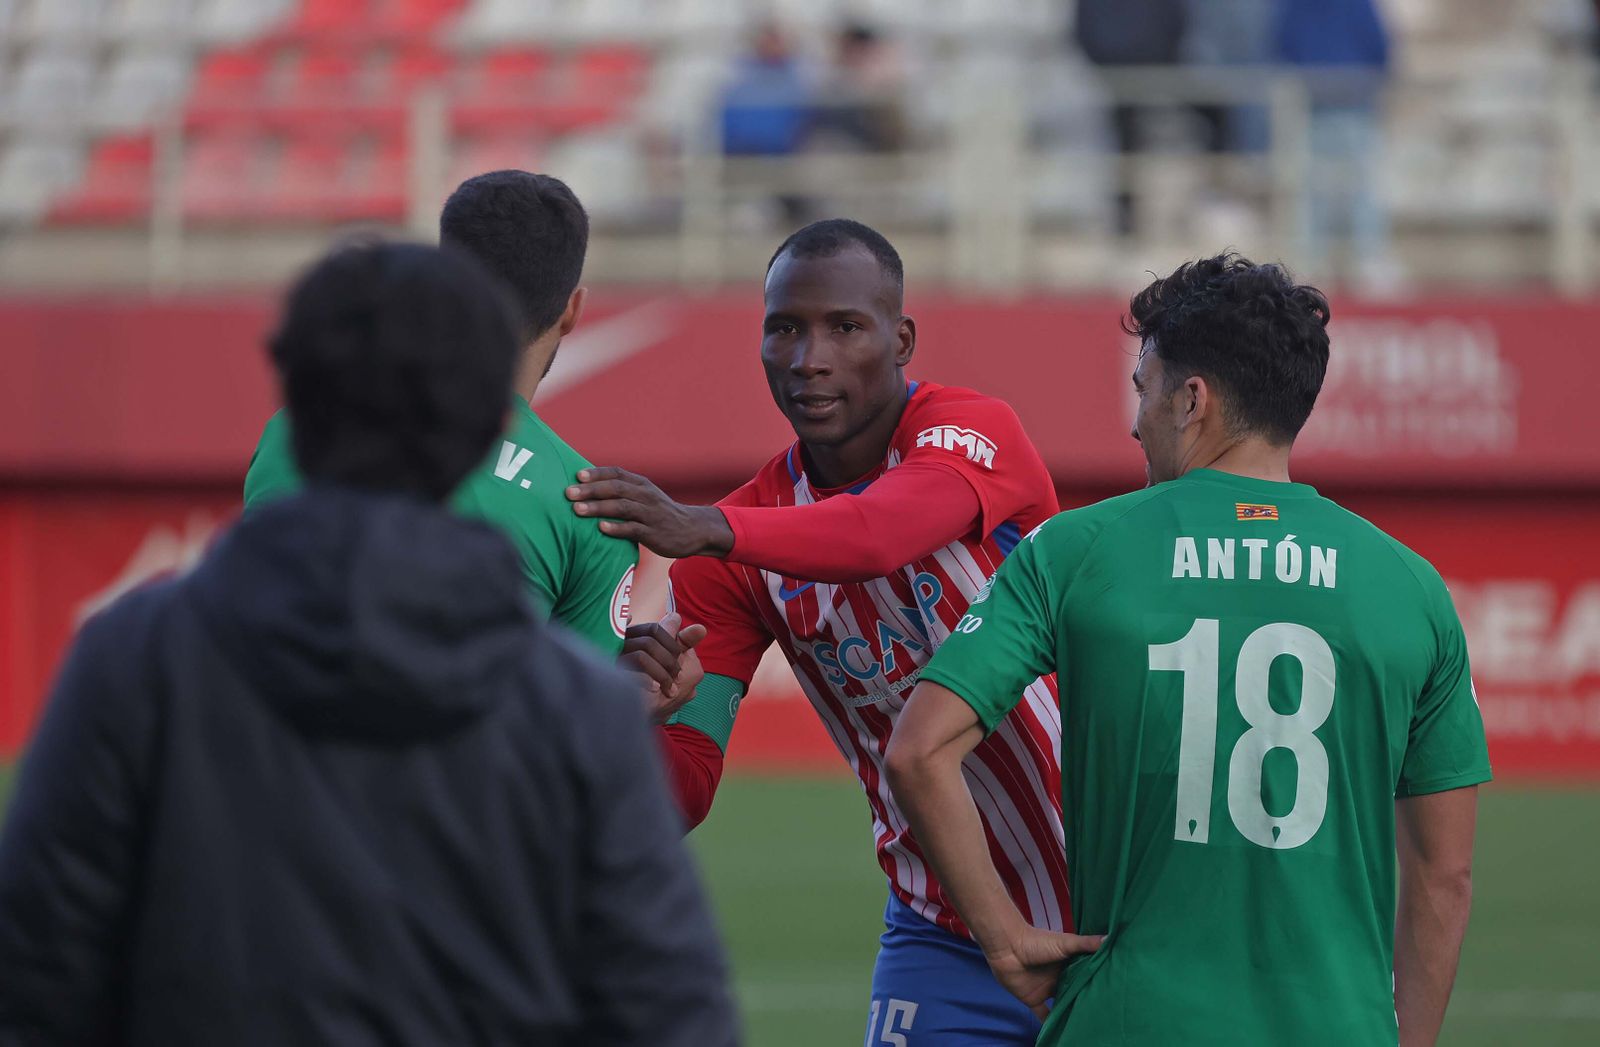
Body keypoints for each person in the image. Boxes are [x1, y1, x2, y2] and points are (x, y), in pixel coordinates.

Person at [0, 241, 738, 1046]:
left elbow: (38, 972)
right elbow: (669, 1012)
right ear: (482, 430)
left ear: (292, 408)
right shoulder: (576, 706)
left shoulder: (134, 659)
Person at [886, 254, 1490, 1046]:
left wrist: (1002, 937)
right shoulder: (1412, 587)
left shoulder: (1072, 550)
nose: (1135, 420)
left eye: (1144, 390)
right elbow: (1444, 877)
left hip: (1128, 1021)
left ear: (1192, 399)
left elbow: (918, 751)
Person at [564, 219, 1078, 1045]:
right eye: (784, 329)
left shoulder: (971, 432)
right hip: (942, 928)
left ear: (901, 337)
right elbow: (685, 788)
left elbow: (878, 532)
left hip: (1113, 895)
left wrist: (711, 526)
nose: (810, 359)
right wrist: (622, 722)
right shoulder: (730, 554)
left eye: (845, 327)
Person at [243, 169, 701, 711]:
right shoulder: (592, 509)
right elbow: (555, 740)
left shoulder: (298, 431)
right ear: (572, 309)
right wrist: (634, 706)